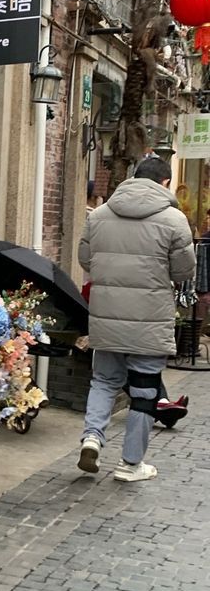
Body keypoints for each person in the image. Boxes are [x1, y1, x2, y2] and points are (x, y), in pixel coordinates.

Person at [77, 155, 195, 481]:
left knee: (103, 380)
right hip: (150, 318)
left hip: (107, 314)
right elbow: (184, 271)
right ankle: (130, 465)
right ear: (165, 183)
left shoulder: (99, 215)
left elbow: (85, 259)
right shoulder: (174, 219)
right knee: (144, 389)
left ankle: (92, 438)